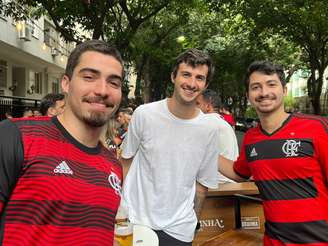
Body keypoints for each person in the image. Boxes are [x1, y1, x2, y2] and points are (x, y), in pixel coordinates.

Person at [0, 40, 124, 245]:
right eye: (89, 77)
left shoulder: (114, 167)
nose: (102, 90)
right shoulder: (15, 136)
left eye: (114, 82)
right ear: (66, 84)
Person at [219, 61, 328, 245]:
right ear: (248, 95)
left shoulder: (316, 128)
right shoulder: (251, 138)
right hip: (274, 241)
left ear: (284, 90)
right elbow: (239, 173)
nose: (263, 93)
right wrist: (202, 151)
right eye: (256, 87)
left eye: (271, 84)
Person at [120, 49, 220, 245]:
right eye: (186, 74)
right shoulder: (144, 114)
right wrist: (120, 211)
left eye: (199, 78)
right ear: (173, 76)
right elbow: (125, 161)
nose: (191, 83)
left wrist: (194, 222)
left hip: (179, 229)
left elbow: (202, 186)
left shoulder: (210, 129)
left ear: (205, 84)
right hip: (136, 220)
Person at [196, 89, 239, 183]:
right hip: (230, 180)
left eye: (197, 104)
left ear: (208, 106)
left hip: (215, 183)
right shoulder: (224, 123)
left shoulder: (205, 121)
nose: (194, 107)